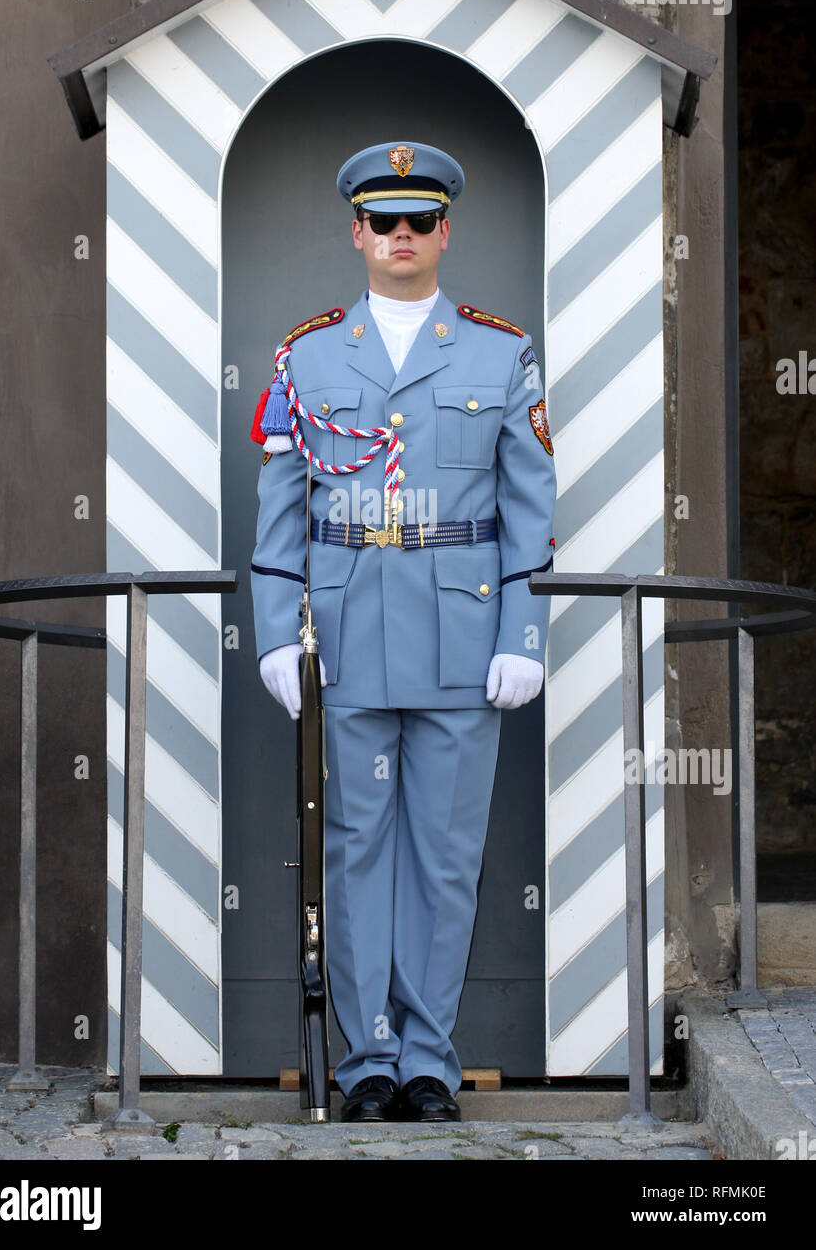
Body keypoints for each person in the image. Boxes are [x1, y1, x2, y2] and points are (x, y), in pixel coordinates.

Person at [249, 141, 556, 1122]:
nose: (400, 236)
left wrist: (525, 632)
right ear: (356, 232)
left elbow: (527, 507)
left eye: (418, 220)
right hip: (342, 632)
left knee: (444, 852)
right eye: (382, 220)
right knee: (352, 848)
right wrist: (268, 633)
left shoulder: (498, 353)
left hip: (462, 639)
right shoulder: (304, 356)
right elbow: (279, 513)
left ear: (442, 232)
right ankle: (365, 1056)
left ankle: (428, 1053)